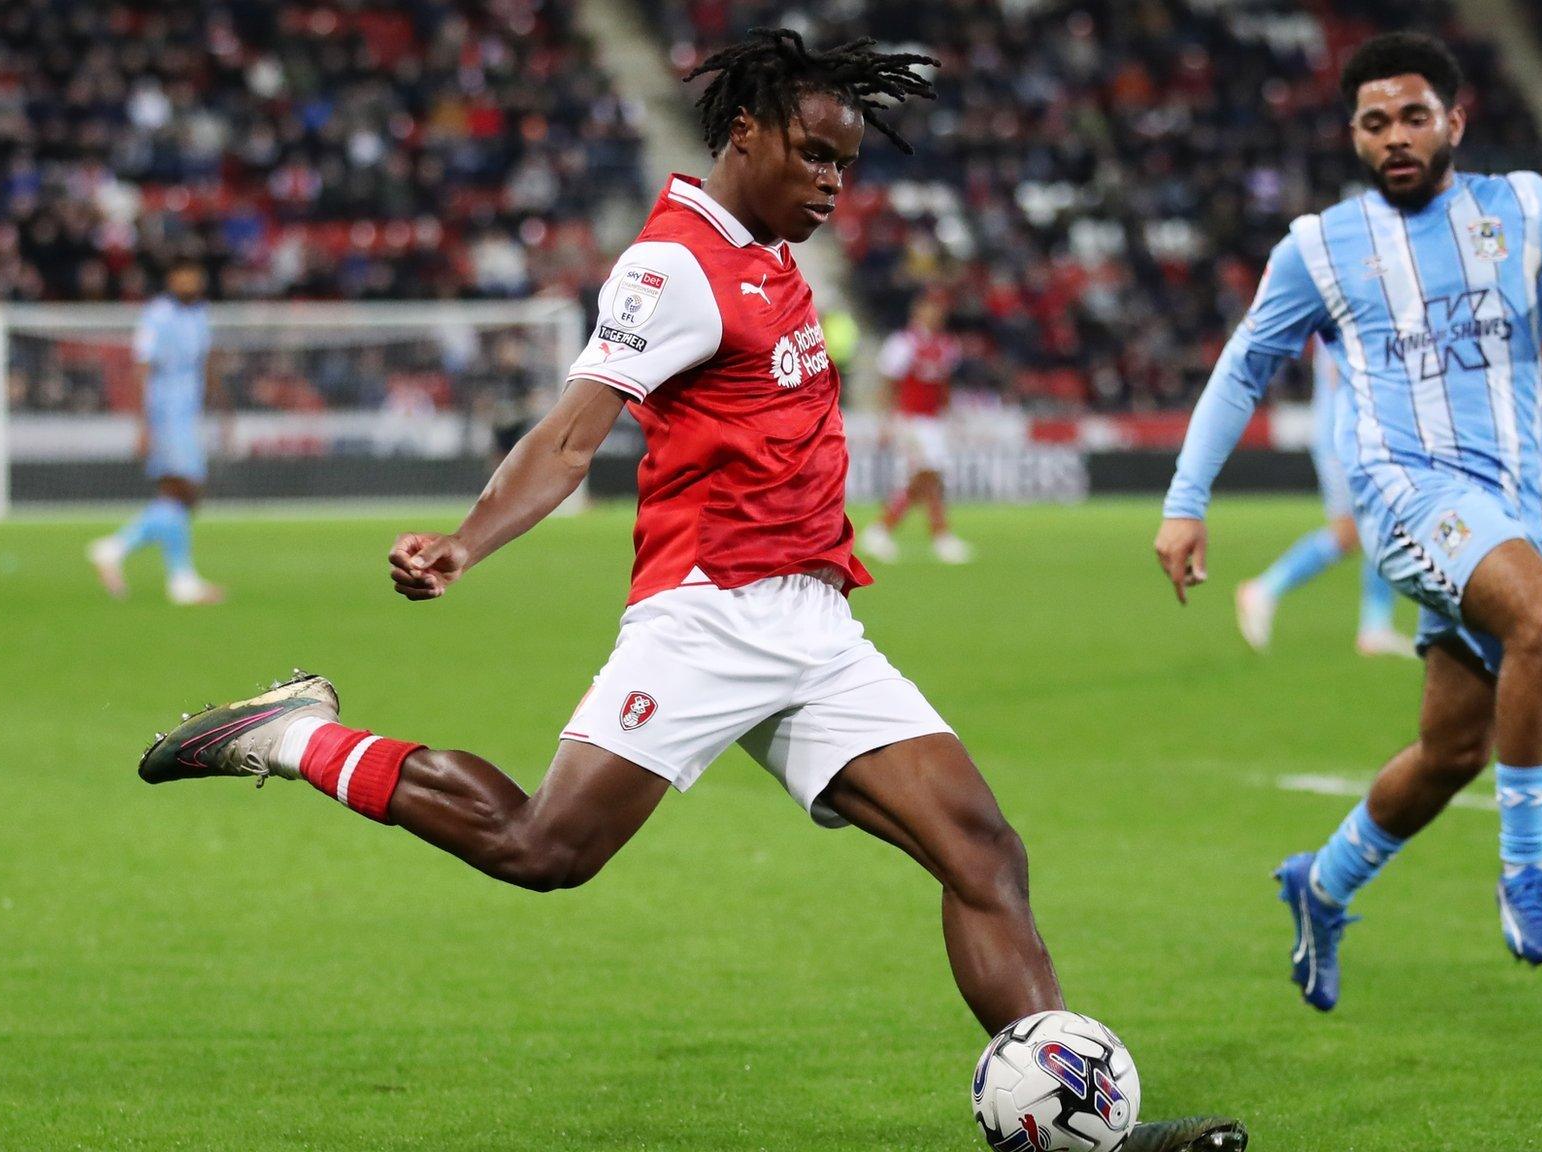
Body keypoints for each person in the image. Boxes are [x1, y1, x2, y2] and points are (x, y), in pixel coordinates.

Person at [138, 30, 1243, 1151]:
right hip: (709, 612)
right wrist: (470, 541)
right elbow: (573, 437)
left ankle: (1078, 1130)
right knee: (541, 848)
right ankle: (293, 737)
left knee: (982, 853)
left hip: (814, 621)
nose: (831, 181)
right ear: (744, 134)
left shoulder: (768, 253)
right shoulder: (671, 267)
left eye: (846, 165)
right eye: (814, 154)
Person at [1153, 33, 1542, 1011]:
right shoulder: (1320, 245)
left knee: (1451, 750)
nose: (1392, 136)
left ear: (1453, 121)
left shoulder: (1520, 206)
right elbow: (1243, 365)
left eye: (1411, 117)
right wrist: (1184, 503)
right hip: (1405, 497)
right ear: (1351, 135)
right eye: (1372, 122)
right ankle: (1523, 870)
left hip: (1514, 506)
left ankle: (1322, 882)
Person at [1233, 341, 1412, 656]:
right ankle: (1264, 589)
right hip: (1346, 440)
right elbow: (1342, 373)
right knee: (1360, 531)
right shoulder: (1348, 308)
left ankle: (1374, 627)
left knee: (1376, 529)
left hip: (1349, 437)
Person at [88, 261, 226, 605]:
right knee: (184, 489)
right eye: (183, 274)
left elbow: (206, 365)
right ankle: (174, 577)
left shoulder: (200, 315)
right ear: (170, 279)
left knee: (180, 494)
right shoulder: (157, 316)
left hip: (187, 414)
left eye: (195, 274)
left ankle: (120, 552)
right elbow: (142, 369)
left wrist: (223, 409)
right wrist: (143, 424)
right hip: (165, 414)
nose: (190, 280)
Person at [861, 292, 972, 563]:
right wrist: (887, 419)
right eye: (929, 311)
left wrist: (950, 415)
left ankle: (891, 531)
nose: (935, 317)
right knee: (926, 474)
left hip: (933, 421)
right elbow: (889, 382)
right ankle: (929, 534)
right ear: (918, 314)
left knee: (930, 478)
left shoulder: (945, 345)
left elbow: (943, 385)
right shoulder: (903, 343)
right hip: (911, 419)